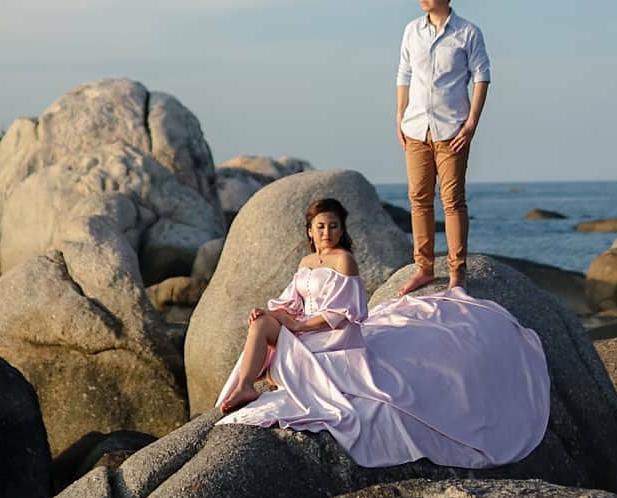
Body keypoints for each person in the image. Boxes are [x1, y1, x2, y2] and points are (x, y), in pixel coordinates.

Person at [215, 198, 550, 470]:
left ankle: (267, 376)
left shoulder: (344, 261)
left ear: (342, 229)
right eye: (321, 227)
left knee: (283, 335)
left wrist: (300, 326)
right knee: (260, 323)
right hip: (305, 329)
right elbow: (290, 303)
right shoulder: (306, 261)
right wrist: (271, 314)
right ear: (310, 230)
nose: (327, 232)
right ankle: (245, 387)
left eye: (333, 226)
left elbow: (344, 314)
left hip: (334, 336)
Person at [396, 0, 491, 296]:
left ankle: (457, 273)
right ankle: (423, 268)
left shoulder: (468, 32)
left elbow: (482, 76)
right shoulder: (411, 30)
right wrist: (399, 116)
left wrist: (472, 122)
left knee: (452, 200)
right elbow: (404, 73)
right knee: (419, 199)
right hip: (416, 126)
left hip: (453, 128)